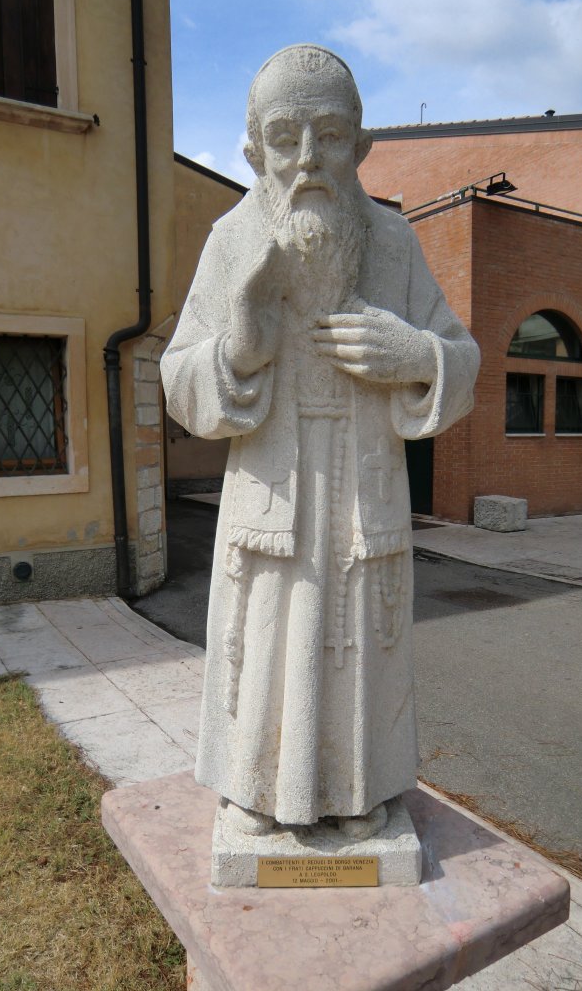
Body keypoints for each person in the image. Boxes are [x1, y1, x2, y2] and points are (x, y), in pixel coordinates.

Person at [160, 45, 479, 840]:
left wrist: (416, 357)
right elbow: (177, 377)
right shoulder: (231, 240)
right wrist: (236, 350)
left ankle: (358, 791)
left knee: (358, 654)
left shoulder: (394, 243)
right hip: (269, 499)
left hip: (364, 494)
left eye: (330, 135)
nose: (307, 159)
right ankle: (251, 787)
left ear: (362, 147)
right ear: (253, 150)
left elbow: (461, 357)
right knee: (267, 646)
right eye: (285, 135)